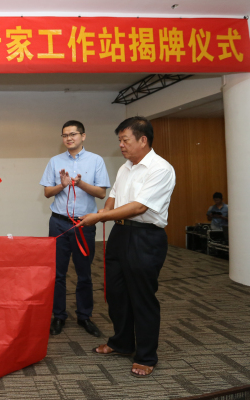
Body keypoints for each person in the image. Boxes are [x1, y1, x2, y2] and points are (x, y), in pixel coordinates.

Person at [78, 116, 176, 378]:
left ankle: (146, 356)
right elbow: (114, 196)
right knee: (116, 293)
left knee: (141, 297)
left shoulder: (161, 168)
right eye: (119, 140)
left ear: (143, 140)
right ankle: (122, 342)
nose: (121, 145)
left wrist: (99, 217)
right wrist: (105, 211)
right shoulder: (125, 167)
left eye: (125, 140)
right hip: (120, 234)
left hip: (145, 237)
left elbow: (139, 207)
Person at [40, 120, 110, 337]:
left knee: (84, 273)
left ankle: (84, 316)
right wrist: (62, 185)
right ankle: (59, 316)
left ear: (83, 136)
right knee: (57, 274)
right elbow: (47, 193)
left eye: (73, 134)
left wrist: (79, 183)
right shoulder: (55, 161)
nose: (69, 138)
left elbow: (101, 193)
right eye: (65, 135)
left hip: (84, 223)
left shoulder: (96, 160)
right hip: (59, 223)